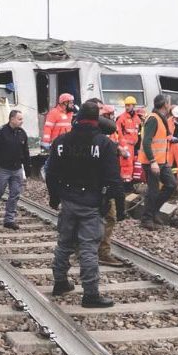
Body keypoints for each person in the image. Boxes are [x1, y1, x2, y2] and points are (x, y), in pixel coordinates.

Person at [46, 101, 121, 307]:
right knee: (88, 248)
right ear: (97, 119)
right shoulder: (105, 144)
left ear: (77, 119)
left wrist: (54, 197)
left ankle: (60, 282)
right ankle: (90, 295)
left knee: (64, 244)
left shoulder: (61, 142)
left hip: (68, 200)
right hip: (91, 202)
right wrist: (118, 208)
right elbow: (114, 179)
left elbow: (51, 173)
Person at [91, 101, 125, 268]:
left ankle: (84, 249)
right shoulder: (102, 137)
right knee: (109, 217)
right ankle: (101, 252)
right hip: (102, 186)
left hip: (90, 185)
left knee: (90, 218)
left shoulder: (91, 134)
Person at [0, 110, 31, 229]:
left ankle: (9, 219)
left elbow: (26, 152)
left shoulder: (22, 133)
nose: (22, 122)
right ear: (12, 119)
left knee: (15, 194)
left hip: (17, 169)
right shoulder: (1, 132)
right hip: (3, 169)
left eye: (22, 119)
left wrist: (28, 167)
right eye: (19, 119)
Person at [138, 95, 176, 230]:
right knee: (153, 190)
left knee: (171, 184)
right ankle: (146, 219)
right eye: (169, 103)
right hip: (152, 161)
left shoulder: (161, 118)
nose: (170, 105)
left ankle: (153, 211)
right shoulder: (153, 119)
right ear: (165, 104)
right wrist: (153, 161)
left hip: (161, 161)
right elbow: (146, 141)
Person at [115, 97, 141, 191]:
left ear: (133, 106)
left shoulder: (137, 118)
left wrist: (138, 147)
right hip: (125, 145)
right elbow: (119, 134)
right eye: (126, 105)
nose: (127, 107)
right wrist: (123, 147)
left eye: (129, 105)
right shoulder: (121, 118)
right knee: (126, 165)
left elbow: (139, 133)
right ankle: (125, 186)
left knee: (133, 165)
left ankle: (130, 184)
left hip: (133, 146)